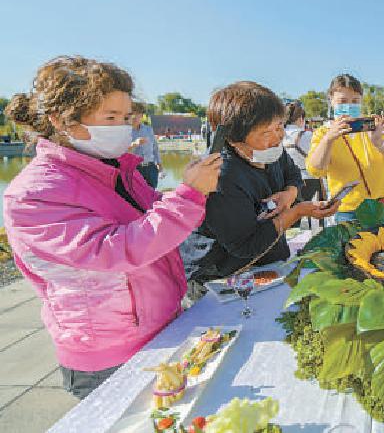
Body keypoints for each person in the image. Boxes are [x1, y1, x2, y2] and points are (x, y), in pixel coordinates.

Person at [2, 56, 221, 399]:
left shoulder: (116, 170)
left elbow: (152, 219)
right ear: (61, 120)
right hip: (109, 351)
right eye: (110, 118)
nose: (123, 127)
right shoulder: (33, 195)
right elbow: (114, 250)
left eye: (125, 117)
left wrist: (188, 192)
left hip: (162, 322)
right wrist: (188, 196)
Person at [186, 82, 339, 283]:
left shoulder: (272, 150)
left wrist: (289, 194)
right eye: (267, 132)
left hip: (269, 259)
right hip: (222, 275)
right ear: (233, 138)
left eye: (280, 127)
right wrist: (297, 211)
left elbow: (293, 175)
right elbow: (245, 246)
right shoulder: (220, 176)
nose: (279, 138)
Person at [306, 74, 384, 222]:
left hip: (382, 204)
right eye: (343, 101)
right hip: (348, 210)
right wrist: (329, 139)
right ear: (331, 101)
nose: (349, 106)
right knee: (352, 245)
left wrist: (379, 142)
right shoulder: (323, 133)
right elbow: (316, 169)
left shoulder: (372, 125)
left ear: (361, 101)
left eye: (355, 101)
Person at [283, 101, 321, 201]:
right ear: (301, 119)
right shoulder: (308, 135)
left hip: (285, 181)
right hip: (308, 179)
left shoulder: (279, 135)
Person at [129, 101, 162, 188]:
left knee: (152, 195)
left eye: (138, 114)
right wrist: (134, 144)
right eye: (132, 114)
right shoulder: (125, 131)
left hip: (151, 168)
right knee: (137, 196)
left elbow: (155, 147)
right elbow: (120, 152)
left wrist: (159, 164)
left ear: (142, 115)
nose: (135, 116)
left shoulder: (148, 129)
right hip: (134, 169)